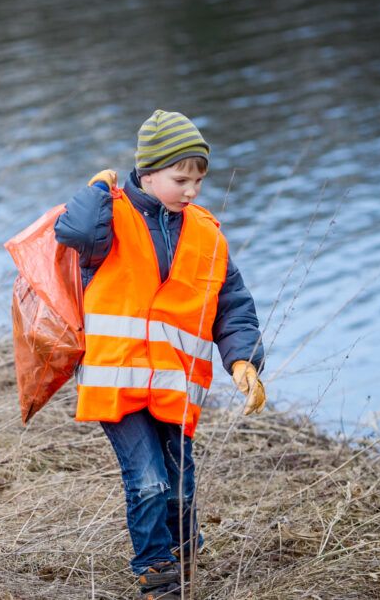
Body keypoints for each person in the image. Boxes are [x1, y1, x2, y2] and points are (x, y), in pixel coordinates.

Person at [54, 110, 267, 599]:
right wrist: (95, 188)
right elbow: (76, 233)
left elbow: (231, 304)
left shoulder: (207, 233)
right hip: (117, 383)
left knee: (181, 485)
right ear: (146, 173)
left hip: (174, 383)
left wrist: (244, 361)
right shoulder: (109, 217)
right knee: (147, 481)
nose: (191, 190)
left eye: (198, 180)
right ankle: (156, 572)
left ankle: (184, 550)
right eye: (180, 179)